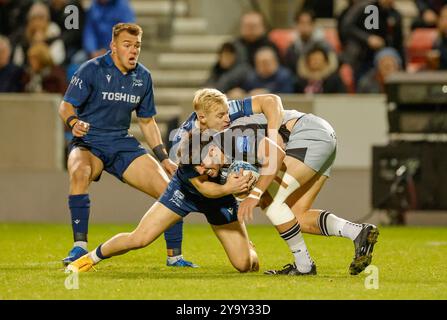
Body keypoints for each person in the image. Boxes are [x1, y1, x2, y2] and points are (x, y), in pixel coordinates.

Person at [65, 89, 287, 274]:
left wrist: (273, 134)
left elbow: (271, 100)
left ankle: (246, 247)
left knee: (245, 265)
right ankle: (89, 259)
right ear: (202, 118)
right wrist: (230, 187)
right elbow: (204, 188)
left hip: (219, 196)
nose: (227, 118)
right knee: (140, 238)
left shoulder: (224, 113)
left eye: (227, 113)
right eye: (221, 116)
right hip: (186, 191)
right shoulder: (185, 145)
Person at [58, 22, 196, 268]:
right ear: (113, 46)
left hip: (121, 143)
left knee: (170, 190)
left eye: (137, 46)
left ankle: (175, 257)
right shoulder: (91, 69)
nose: (133, 51)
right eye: (127, 45)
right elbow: (65, 106)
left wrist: (164, 158)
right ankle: (79, 247)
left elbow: (147, 121)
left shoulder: (143, 76)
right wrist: (73, 121)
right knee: (79, 172)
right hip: (89, 142)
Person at [191, 110, 379, 276]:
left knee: (271, 201)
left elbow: (277, 155)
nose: (200, 171)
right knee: (296, 216)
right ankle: (357, 232)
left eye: (200, 163)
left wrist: (255, 193)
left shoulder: (231, 138)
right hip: (318, 136)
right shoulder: (225, 154)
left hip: (309, 135)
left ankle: (304, 266)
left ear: (212, 149)